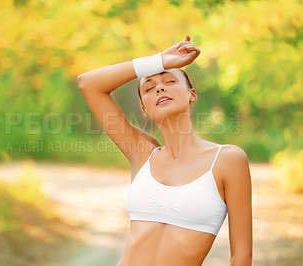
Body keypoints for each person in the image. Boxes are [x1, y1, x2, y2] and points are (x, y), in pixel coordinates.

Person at [77, 35, 253, 266]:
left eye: (170, 82)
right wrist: (159, 61)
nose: (159, 87)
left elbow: (241, 256)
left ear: (192, 94)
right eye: (149, 88)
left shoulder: (228, 160)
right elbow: (88, 83)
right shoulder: (142, 153)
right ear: (144, 110)